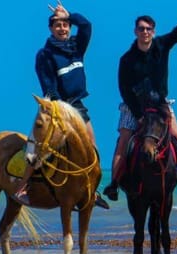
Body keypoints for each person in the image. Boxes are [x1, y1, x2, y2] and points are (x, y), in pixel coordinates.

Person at [102, 0, 177, 201]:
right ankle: (114, 184)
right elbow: (124, 89)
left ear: (153, 31)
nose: (145, 32)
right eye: (141, 28)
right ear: (135, 31)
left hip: (161, 104)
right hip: (133, 107)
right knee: (124, 142)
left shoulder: (162, 45)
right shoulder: (126, 59)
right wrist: (137, 115)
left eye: (149, 29)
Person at [14, 1, 109, 210]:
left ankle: (92, 190)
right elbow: (48, 86)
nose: (62, 28)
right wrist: (60, 108)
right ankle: (23, 187)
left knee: (92, 147)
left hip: (78, 105)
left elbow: (87, 26)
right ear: (50, 28)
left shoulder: (77, 46)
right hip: (55, 105)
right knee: (38, 146)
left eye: (65, 24)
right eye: (57, 25)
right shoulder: (45, 54)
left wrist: (69, 14)